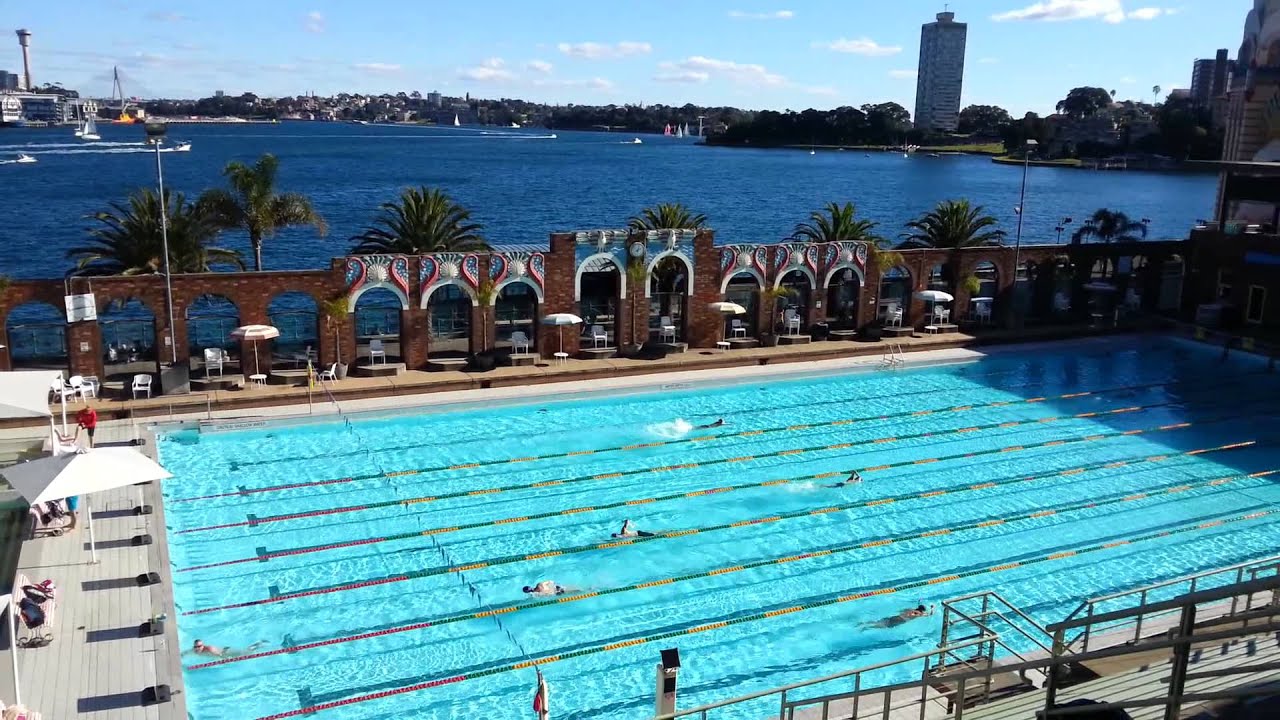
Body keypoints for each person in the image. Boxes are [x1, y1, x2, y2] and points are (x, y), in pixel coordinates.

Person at [861, 603, 935, 629]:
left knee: (879, 622)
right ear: (922, 610)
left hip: (896, 617)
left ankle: (863, 623)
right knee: (884, 626)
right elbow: (930, 614)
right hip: (900, 620)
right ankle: (867, 627)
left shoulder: (910, 609)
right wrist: (932, 608)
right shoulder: (919, 614)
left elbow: (900, 611)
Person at [188, 639, 266, 658]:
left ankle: (259, 644)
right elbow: (185, 653)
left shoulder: (209, 649)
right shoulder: (194, 650)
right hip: (223, 651)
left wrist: (228, 659)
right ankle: (258, 644)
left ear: (203, 646)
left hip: (226, 652)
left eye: (199, 646)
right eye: (195, 646)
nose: (197, 648)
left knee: (245, 652)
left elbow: (220, 655)